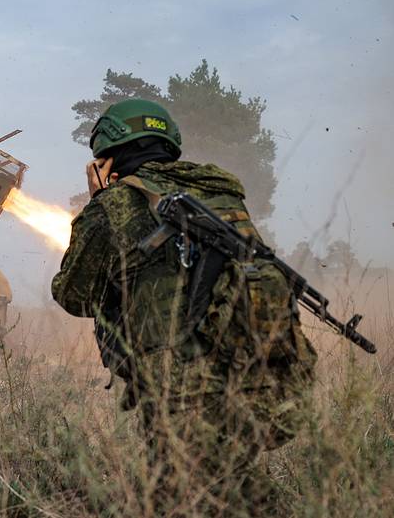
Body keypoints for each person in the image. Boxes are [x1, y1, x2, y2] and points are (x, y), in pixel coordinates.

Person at [51, 98, 316, 514]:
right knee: (231, 478)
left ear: (108, 156)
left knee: (182, 495)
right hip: (244, 365)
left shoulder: (115, 204)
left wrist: (97, 204)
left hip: (178, 383)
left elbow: (74, 294)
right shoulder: (224, 195)